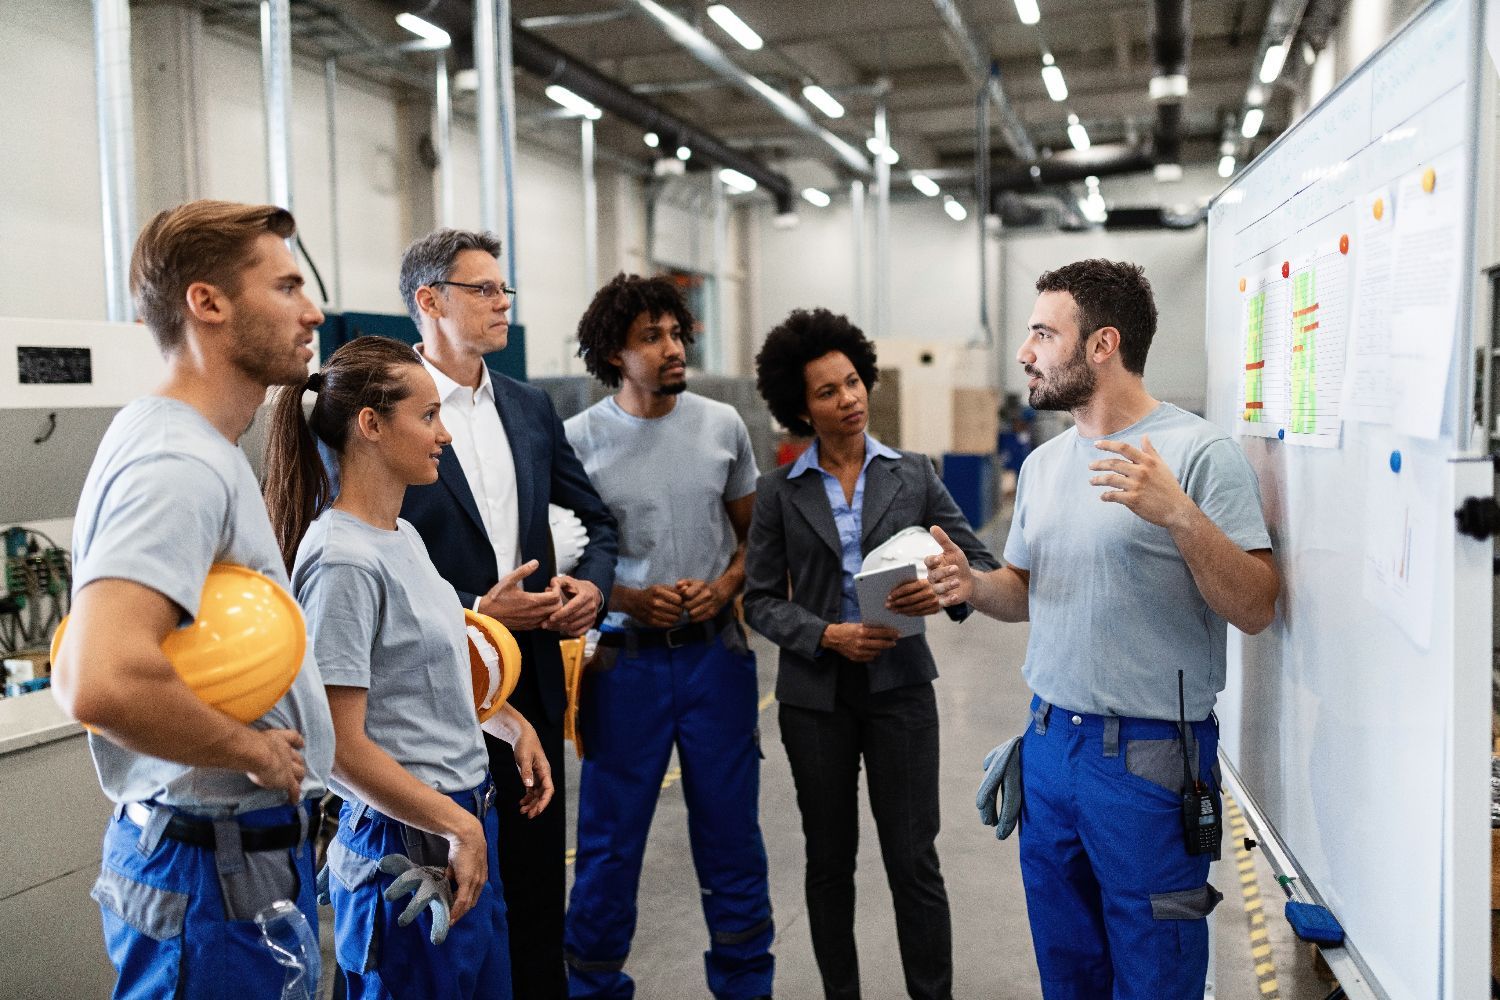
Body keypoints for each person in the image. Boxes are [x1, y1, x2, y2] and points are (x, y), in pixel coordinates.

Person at [923, 259, 1279, 1000]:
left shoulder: (1197, 455)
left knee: (1154, 976)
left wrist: (1180, 515)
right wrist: (971, 586)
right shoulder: (1047, 464)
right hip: (1050, 749)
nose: (1025, 351)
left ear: (1101, 345)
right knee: (1069, 972)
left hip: (1150, 760)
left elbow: (1255, 606)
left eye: (1043, 333)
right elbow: (1023, 590)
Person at [49, 200, 335, 999]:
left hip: (234, 860)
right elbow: (99, 679)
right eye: (285, 288)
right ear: (207, 303)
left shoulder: (192, 445)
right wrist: (254, 751)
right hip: (208, 868)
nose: (312, 310)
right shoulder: (179, 462)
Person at [262, 335, 553, 997]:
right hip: (409, 842)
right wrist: (453, 824)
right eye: (426, 416)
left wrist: (509, 724)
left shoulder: (403, 538)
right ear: (369, 425)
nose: (443, 433)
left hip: (458, 826)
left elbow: (422, 671)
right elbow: (336, 746)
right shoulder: (342, 561)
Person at [743, 309, 997, 1000]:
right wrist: (827, 634)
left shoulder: (914, 475)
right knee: (828, 862)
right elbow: (758, 599)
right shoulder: (778, 493)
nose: (848, 399)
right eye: (827, 392)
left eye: (853, 382)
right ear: (802, 407)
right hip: (814, 699)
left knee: (913, 860)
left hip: (902, 691)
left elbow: (974, 562)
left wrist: (943, 589)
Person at [396, 228, 618, 998]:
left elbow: (599, 520)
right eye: (483, 289)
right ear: (429, 301)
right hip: (426, 694)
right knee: (439, 903)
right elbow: (363, 546)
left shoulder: (528, 407)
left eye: (504, 289)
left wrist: (593, 588)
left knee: (532, 896)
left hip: (527, 691)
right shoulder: (383, 408)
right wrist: (473, 612)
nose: (503, 304)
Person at [562, 274, 774, 1000]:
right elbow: (568, 563)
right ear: (614, 354)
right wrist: (627, 597)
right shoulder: (579, 442)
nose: (672, 347)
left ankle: (746, 986)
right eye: (651, 336)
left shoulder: (722, 427)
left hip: (718, 660)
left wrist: (724, 587)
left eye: (676, 333)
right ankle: (592, 985)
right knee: (609, 846)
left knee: (731, 840)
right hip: (624, 669)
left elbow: (755, 543)